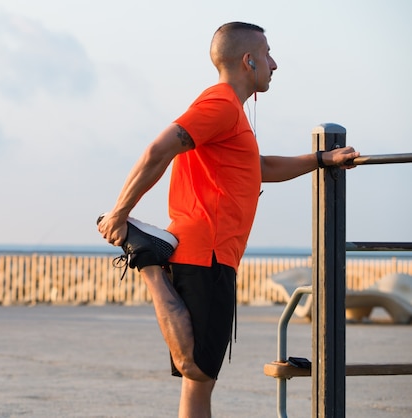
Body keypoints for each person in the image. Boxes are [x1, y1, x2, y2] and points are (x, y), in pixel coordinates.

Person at [96, 22, 359, 418]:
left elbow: (262, 166)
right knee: (198, 375)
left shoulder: (230, 112)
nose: (275, 63)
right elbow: (158, 149)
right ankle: (147, 262)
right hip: (206, 253)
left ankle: (148, 256)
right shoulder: (219, 104)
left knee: (195, 381)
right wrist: (120, 212)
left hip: (209, 252)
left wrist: (322, 159)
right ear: (248, 61)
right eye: (268, 54)